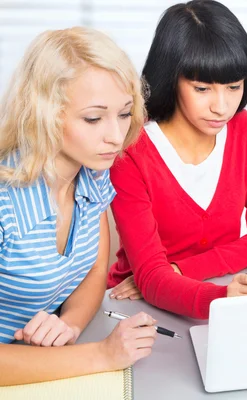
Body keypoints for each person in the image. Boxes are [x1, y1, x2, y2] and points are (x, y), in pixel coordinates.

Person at [107, 0, 247, 318]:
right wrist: (217, 297)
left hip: (224, 289)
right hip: (133, 306)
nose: (222, 106)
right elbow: (149, 278)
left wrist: (180, 269)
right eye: (202, 88)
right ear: (171, 78)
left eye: (234, 87)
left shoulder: (244, 130)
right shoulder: (130, 148)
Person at [0, 27, 157, 386]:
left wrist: (68, 324)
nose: (116, 137)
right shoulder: (5, 205)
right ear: (45, 113)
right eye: (93, 118)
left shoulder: (92, 173)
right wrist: (102, 354)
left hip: (45, 366)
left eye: (124, 114)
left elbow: (94, 268)